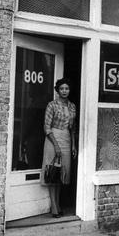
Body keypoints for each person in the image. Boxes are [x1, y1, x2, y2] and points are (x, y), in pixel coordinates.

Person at [42, 77, 77, 218]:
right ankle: (54, 207)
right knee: (52, 172)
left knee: (62, 173)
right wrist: (56, 145)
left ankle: (58, 203)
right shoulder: (52, 105)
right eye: (62, 88)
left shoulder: (72, 106)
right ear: (57, 90)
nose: (64, 91)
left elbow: (73, 128)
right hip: (53, 138)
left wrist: (73, 145)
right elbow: (46, 127)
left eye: (67, 88)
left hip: (67, 139)